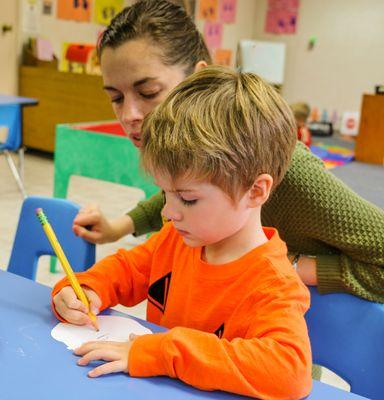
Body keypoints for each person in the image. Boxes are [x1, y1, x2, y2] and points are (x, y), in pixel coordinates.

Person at [73, 0, 384, 304]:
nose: (129, 115)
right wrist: (117, 228)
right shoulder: (186, 160)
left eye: (148, 92)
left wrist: (288, 265)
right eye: (115, 97)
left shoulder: (290, 171)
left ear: (198, 79)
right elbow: (185, 193)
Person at [53, 66, 312, 399]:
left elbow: (289, 371)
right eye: (165, 193)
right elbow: (127, 270)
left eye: (187, 199)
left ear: (256, 191)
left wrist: (163, 352)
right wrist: (84, 289)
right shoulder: (177, 238)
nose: (167, 212)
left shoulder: (273, 285)